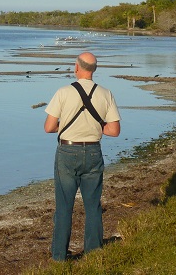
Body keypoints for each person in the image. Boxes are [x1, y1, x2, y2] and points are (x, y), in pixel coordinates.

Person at [43, 52, 121, 260]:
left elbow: (49, 127)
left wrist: (69, 125)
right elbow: (114, 131)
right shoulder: (106, 93)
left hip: (67, 152)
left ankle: (59, 256)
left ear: (76, 67)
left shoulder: (63, 92)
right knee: (93, 205)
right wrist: (93, 126)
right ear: (94, 69)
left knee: (64, 207)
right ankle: (93, 253)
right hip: (94, 151)